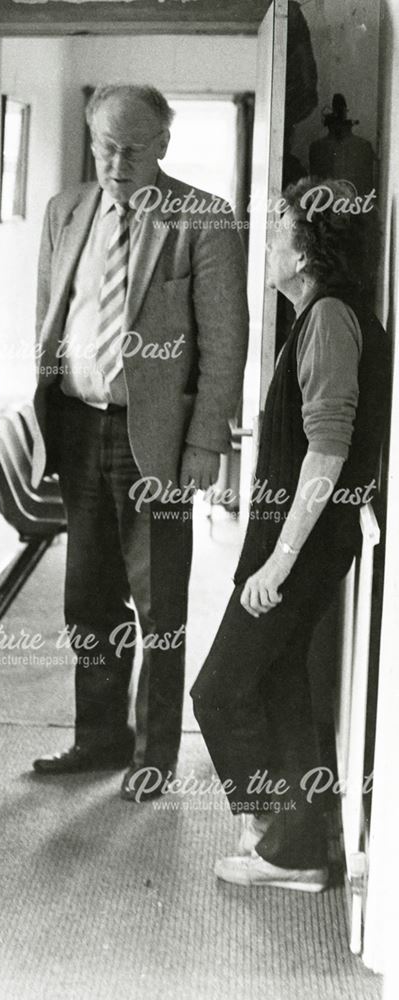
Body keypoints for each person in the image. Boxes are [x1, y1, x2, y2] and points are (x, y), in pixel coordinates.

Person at [30, 84, 249, 799]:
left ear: (162, 144)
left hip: (152, 437)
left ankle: (154, 754)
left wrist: (203, 447)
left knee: (158, 605)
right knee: (86, 599)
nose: (116, 161)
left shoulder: (203, 219)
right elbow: (51, 316)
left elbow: (224, 346)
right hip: (77, 424)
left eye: (131, 147)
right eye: (104, 146)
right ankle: (98, 739)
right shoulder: (66, 211)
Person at [191, 177, 390, 891]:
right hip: (300, 541)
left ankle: (275, 835)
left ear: (307, 250)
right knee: (280, 688)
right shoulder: (317, 317)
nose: (265, 241)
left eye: (277, 227)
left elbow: (327, 451)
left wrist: (276, 563)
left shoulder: (331, 319)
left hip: (301, 547)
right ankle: (297, 846)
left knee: (215, 692)